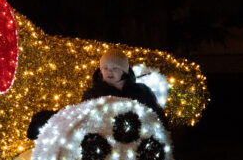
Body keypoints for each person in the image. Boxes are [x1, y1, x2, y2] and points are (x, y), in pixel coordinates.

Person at [27, 48, 164, 140]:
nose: (109, 72)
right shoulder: (93, 94)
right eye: (105, 68)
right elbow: (80, 119)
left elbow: (157, 116)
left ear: (124, 71)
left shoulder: (141, 91)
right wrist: (46, 121)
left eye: (115, 68)